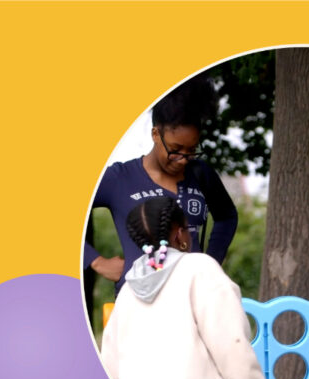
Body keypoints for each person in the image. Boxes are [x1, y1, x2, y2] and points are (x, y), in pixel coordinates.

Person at [100, 197, 271, 379]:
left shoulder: (128, 292)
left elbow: (111, 365)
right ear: (180, 232)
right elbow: (230, 340)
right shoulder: (199, 268)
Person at [84, 75, 239, 297]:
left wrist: (211, 262)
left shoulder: (201, 173)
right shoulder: (118, 178)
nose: (184, 158)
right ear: (156, 134)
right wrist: (96, 262)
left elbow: (226, 216)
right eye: (176, 149)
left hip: (191, 299)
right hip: (138, 302)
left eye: (192, 149)